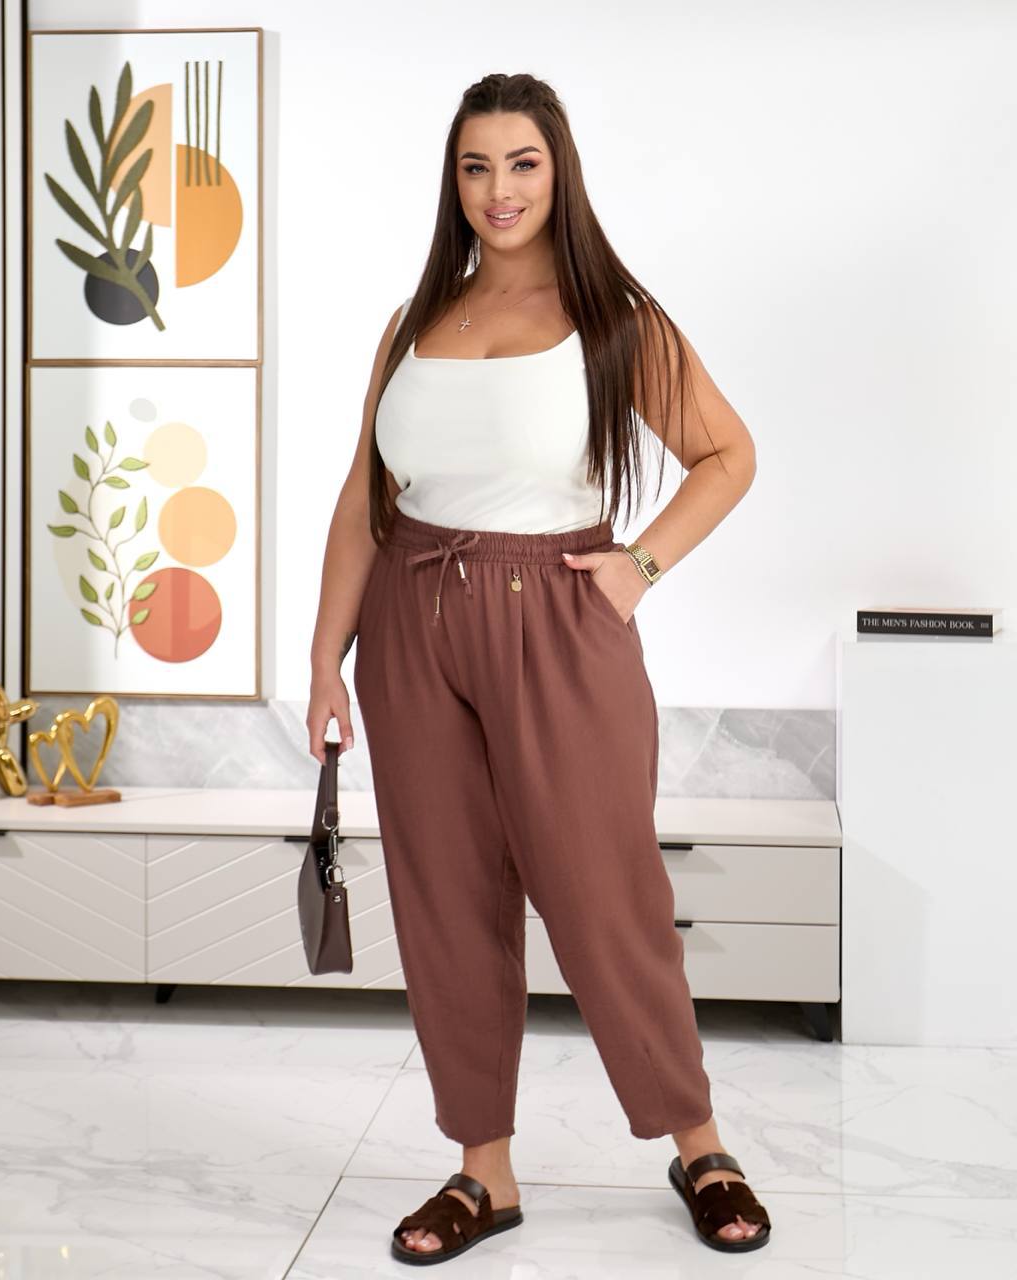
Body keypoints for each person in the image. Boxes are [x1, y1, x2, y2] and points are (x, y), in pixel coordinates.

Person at [307, 72, 771, 1264]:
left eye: (521, 163)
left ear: (558, 172)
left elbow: (727, 454)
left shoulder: (612, 318)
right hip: (411, 624)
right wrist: (324, 658)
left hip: (556, 621)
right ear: (453, 182)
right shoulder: (413, 323)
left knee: (607, 895)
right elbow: (365, 498)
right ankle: (485, 1170)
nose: (498, 189)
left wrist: (638, 568)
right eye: (476, 166)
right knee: (447, 899)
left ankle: (700, 1144)